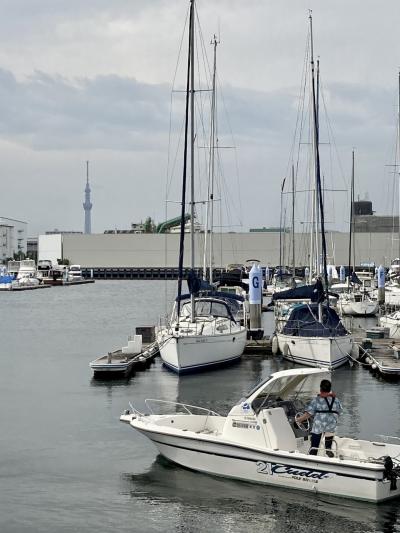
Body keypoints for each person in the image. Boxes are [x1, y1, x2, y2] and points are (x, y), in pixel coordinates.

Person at [295, 379, 342, 458]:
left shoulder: (316, 400)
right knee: (329, 438)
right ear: (330, 389)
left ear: (321, 388)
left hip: (319, 426)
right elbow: (339, 412)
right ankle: (328, 449)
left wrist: (298, 420)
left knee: (314, 446)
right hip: (331, 425)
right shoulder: (336, 400)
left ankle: (312, 456)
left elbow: (307, 415)